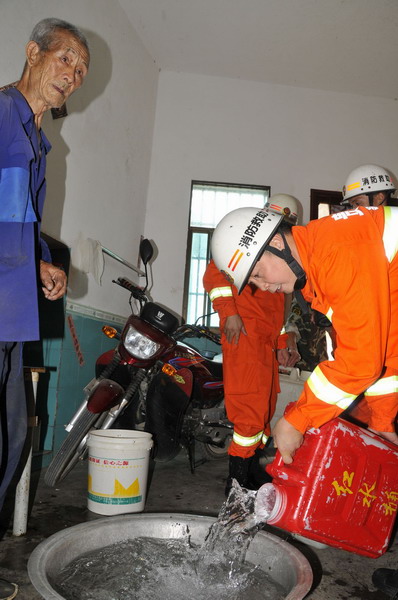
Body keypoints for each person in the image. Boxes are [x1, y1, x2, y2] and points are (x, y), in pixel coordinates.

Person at [209, 180, 398, 469]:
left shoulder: (337, 252)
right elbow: (387, 352)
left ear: (275, 243)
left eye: (258, 274)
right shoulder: (320, 266)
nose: (263, 287)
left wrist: (297, 420)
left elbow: (362, 363)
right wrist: (383, 419)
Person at [0, 18, 89, 598]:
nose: (73, 78)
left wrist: (43, 263)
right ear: (34, 53)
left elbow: (22, 225)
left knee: (11, 441)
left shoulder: (39, 141)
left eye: (81, 73)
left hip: (10, 316)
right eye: (66, 62)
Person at [203, 194, 300, 495]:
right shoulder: (243, 243)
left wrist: (283, 342)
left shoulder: (279, 258)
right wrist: (229, 313)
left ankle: (250, 469)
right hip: (243, 336)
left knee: (264, 409)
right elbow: (214, 275)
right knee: (249, 410)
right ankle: (236, 481)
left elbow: (279, 310)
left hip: (266, 343)